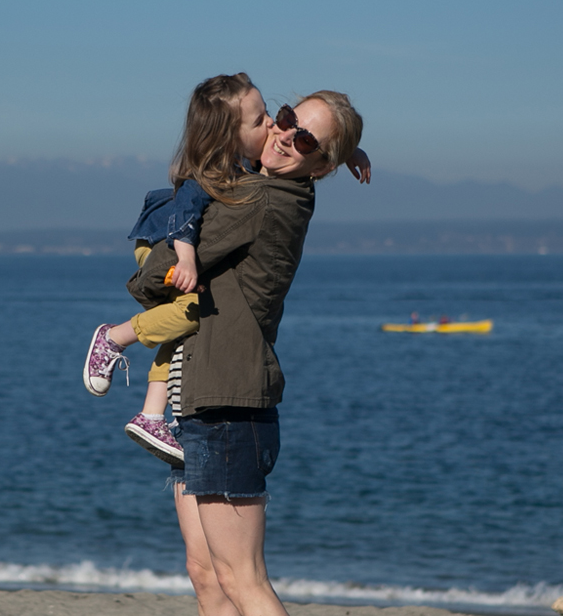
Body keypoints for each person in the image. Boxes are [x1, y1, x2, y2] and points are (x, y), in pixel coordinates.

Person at [152, 89, 363, 616]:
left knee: (243, 578)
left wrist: (166, 227)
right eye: (285, 121)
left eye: (307, 141)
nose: (285, 136)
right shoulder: (267, 181)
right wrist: (344, 147)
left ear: (321, 165)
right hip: (201, 395)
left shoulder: (264, 201)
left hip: (233, 405)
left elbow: (158, 272)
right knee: (206, 572)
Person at [82, 74, 370, 464]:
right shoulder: (222, 172)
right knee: (188, 311)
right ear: (230, 135)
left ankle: (152, 414)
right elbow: (182, 225)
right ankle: (113, 338)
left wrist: (350, 151)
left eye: (276, 115)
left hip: (203, 380)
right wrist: (178, 263)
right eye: (278, 119)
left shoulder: (258, 166)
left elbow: (310, 153)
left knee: (183, 325)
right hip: (165, 240)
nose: (276, 128)